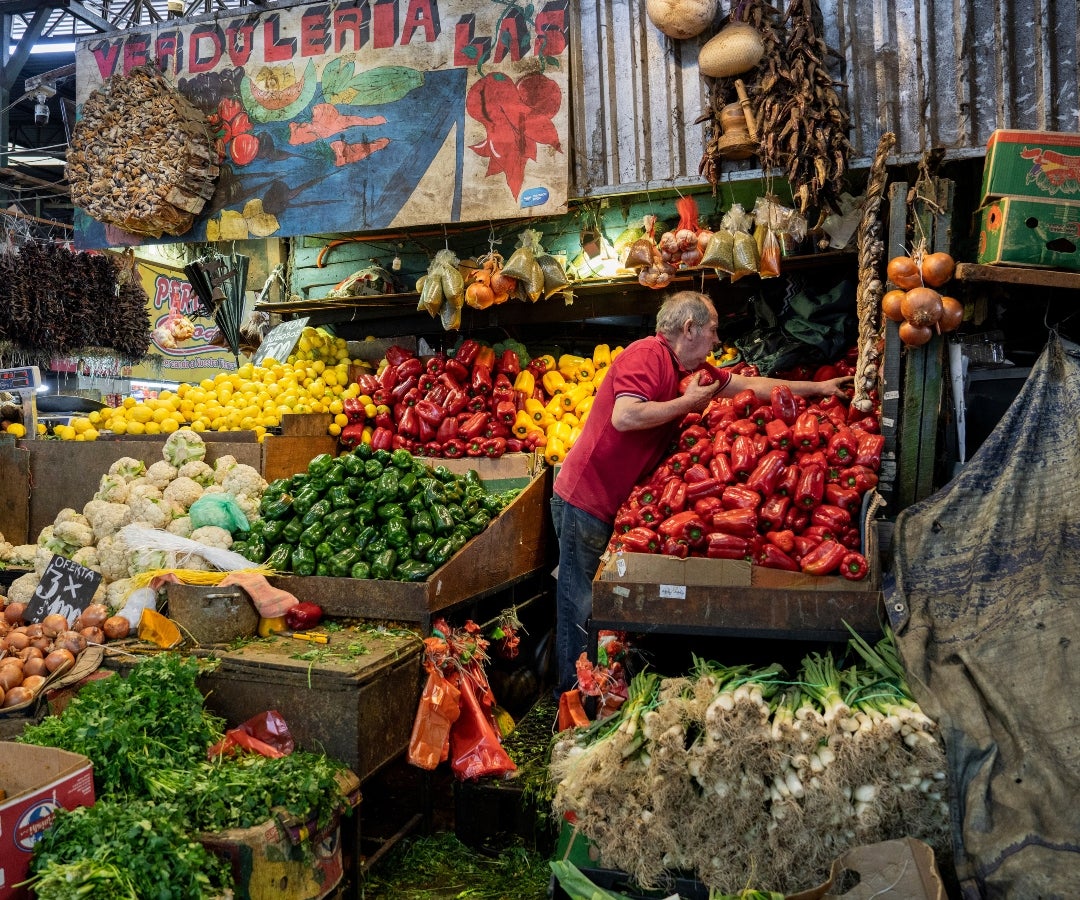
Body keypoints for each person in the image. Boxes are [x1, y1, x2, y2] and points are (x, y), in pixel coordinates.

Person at [549, 290, 853, 695]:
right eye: (711, 331)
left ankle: (592, 690)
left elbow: (747, 384)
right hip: (583, 500)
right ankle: (569, 699)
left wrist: (817, 389)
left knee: (598, 605)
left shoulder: (688, 370)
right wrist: (686, 403)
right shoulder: (646, 355)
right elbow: (625, 416)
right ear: (689, 328)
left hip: (611, 502)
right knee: (579, 604)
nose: (715, 340)